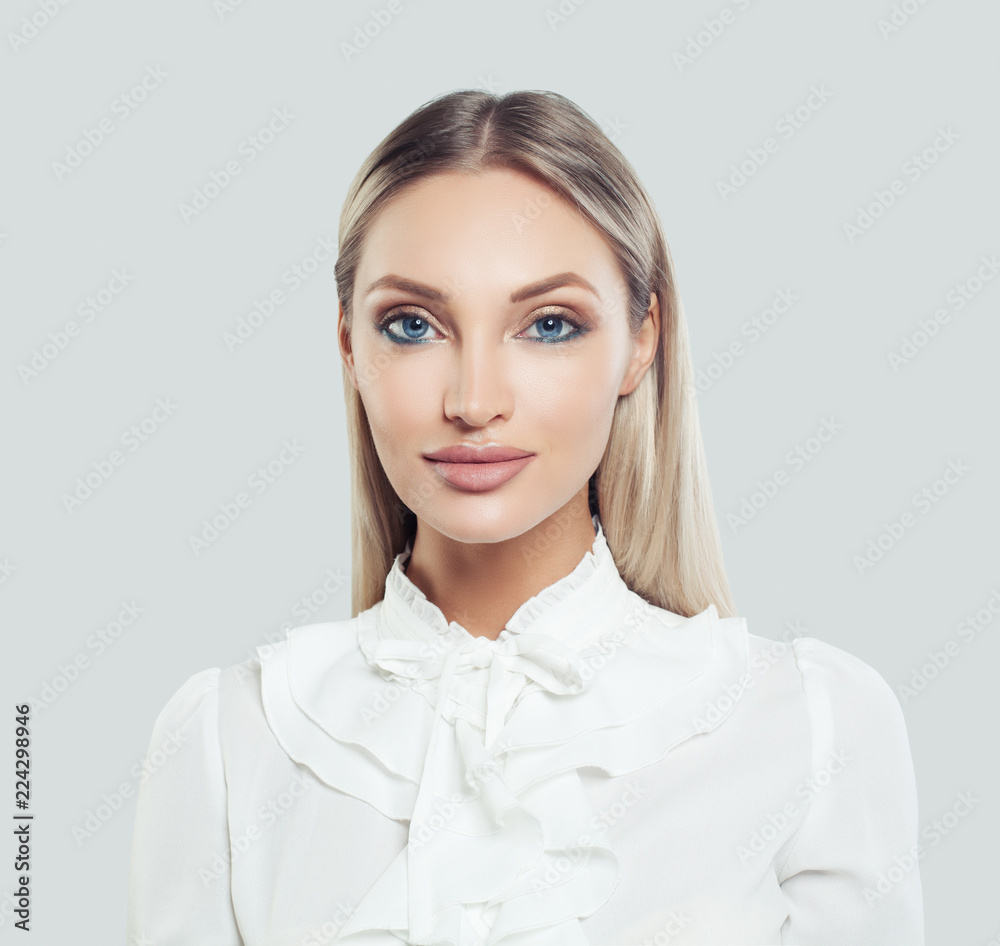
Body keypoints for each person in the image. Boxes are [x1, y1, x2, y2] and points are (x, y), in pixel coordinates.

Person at [126, 89, 924, 945]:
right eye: (412, 324)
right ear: (350, 346)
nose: (474, 401)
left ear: (640, 340)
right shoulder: (228, 742)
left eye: (548, 324)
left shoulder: (812, 727)